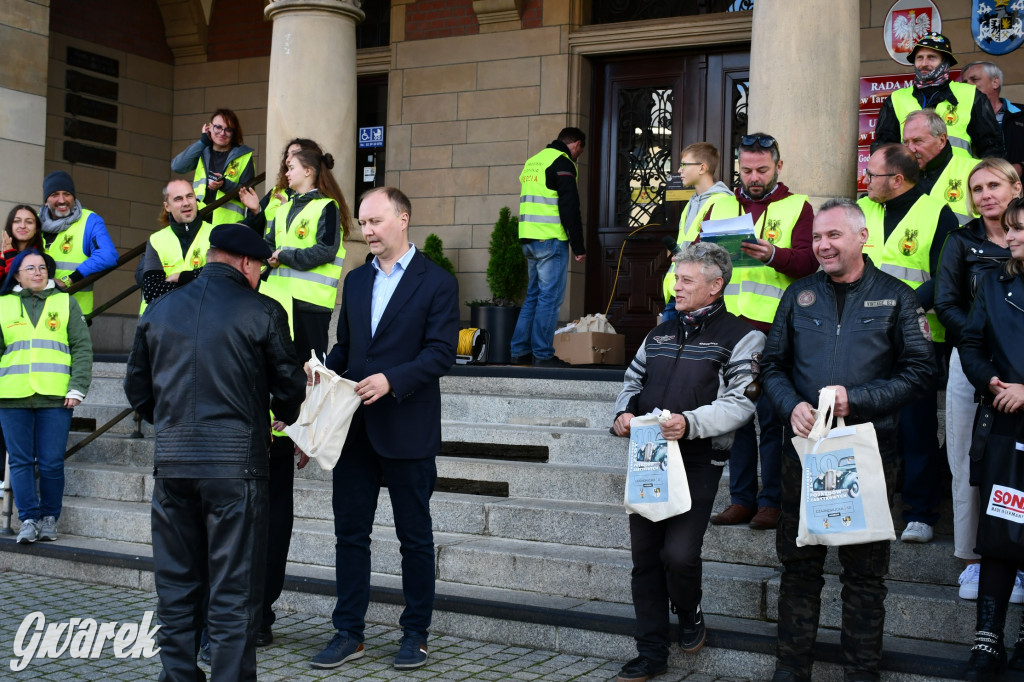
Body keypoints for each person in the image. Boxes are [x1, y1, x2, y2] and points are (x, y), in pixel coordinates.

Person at [761, 198, 936, 681]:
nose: (822, 245)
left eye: (833, 235)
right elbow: (772, 366)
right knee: (798, 569)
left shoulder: (898, 297)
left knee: (864, 577)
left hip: (869, 454)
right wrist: (789, 404)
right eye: (817, 237)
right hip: (805, 454)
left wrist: (854, 400)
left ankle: (861, 673)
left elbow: (922, 372)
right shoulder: (797, 296)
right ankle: (791, 670)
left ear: (862, 238)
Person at [124, 223, 306, 681]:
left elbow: (138, 391)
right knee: (234, 591)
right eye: (260, 269)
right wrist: (276, 414)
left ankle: (180, 675)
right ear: (246, 262)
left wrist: (173, 425)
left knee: (176, 587)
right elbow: (289, 389)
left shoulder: (159, 310)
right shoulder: (262, 310)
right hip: (236, 469)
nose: (260, 276)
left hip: (173, 464)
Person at [310, 187, 459, 671]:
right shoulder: (354, 281)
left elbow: (441, 353)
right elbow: (347, 349)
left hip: (407, 429)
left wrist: (393, 380)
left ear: (403, 219)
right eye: (363, 223)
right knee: (350, 536)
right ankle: (347, 632)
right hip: (354, 431)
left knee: (414, 538)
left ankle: (415, 634)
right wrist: (324, 373)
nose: (367, 232)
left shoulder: (437, 282)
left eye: (375, 222)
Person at [610, 242, 764, 682]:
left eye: (686, 280)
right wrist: (622, 414)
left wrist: (689, 423)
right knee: (645, 557)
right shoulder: (657, 333)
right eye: (676, 278)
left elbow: (740, 404)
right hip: (648, 458)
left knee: (678, 554)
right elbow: (631, 381)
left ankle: (689, 610)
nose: (676, 286)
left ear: (715, 286)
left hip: (697, 460)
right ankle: (651, 651)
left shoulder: (743, 336)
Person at [702, 133, 817, 531]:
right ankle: (742, 499)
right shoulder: (719, 204)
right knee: (734, 418)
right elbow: (700, 258)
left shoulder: (797, 206)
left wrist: (773, 254)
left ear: (778, 167)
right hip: (725, 326)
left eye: (762, 170)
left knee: (771, 418)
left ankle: (772, 501)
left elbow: (808, 263)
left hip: (774, 329)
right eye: (747, 170)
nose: (753, 177)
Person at [857, 143, 959, 545]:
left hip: (918, 337)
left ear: (897, 179)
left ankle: (919, 512)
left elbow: (945, 277)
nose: (865, 181)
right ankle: (868, 503)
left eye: (873, 175)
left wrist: (899, 307)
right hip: (864, 337)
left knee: (917, 427)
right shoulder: (861, 210)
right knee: (867, 424)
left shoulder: (938, 213)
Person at [935, 159, 1024, 601]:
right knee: (968, 461)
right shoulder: (960, 240)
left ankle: (1016, 556)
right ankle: (972, 558)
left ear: (1015, 187)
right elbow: (945, 302)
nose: (985, 195)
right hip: (972, 362)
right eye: (976, 189)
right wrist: (983, 342)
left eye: (994, 185)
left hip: (1020, 369)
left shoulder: (1021, 238)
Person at [958, 195, 1024, 679]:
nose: (1011, 235)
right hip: (1003, 426)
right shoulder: (994, 283)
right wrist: (990, 381)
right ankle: (987, 642)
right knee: (1000, 532)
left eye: (1021, 229)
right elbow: (973, 342)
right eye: (1010, 228)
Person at [1, 249, 92, 544]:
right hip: (11, 396)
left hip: (56, 397)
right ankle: (28, 519)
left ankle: (49, 517)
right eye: (31, 268)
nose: (38, 272)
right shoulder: (3, 305)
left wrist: (77, 387)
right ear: (17, 274)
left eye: (43, 267)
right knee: (20, 461)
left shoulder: (66, 302)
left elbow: (81, 348)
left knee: (52, 462)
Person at [262, 145, 352, 360]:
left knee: (311, 374)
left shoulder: (328, 206)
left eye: (291, 167)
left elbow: (326, 250)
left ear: (308, 171)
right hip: (277, 299)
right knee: (279, 370)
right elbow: (267, 244)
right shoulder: (282, 209)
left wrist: (282, 256)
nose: (287, 173)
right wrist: (268, 255)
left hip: (311, 305)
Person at [509, 126, 587, 368]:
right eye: (580, 151)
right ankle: (542, 354)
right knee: (549, 299)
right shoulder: (562, 162)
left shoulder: (533, 161)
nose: (578, 156)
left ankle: (519, 351)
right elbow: (569, 208)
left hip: (529, 239)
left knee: (533, 296)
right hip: (549, 239)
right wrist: (579, 245)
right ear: (575, 144)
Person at [874, 32, 1002, 160]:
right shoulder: (896, 99)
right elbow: (884, 149)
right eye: (919, 57)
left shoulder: (971, 95)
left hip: (957, 177)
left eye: (931, 57)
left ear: (945, 61)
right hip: (912, 177)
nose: (924, 63)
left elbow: (991, 146)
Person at [659, 143, 733, 323]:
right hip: (678, 288)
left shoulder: (723, 202)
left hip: (698, 292)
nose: (679, 170)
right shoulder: (691, 203)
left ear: (702, 167)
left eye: (684, 164)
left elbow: (719, 252)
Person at [38, 170, 118, 316]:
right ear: (46, 200)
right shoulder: (33, 222)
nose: (62, 200)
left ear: (74, 197)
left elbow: (108, 255)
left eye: (67, 194)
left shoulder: (89, 220)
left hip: (73, 313)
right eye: (55, 194)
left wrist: (69, 280)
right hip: (35, 310)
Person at [138, 179, 213, 313]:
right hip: (162, 322)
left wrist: (180, 278)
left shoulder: (216, 234)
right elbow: (152, 291)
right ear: (167, 207)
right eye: (178, 199)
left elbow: (220, 278)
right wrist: (199, 281)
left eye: (190, 196)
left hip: (202, 320)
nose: (186, 203)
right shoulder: (156, 240)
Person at [171, 108, 255, 226]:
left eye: (228, 129)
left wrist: (224, 185)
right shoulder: (202, 151)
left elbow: (249, 194)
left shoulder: (244, 156)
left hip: (229, 223)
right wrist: (203, 142)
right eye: (218, 127)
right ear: (209, 127)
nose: (222, 133)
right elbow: (177, 166)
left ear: (234, 133)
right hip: (199, 218)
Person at [903, 108, 980, 225]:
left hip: (967, 243)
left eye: (917, 141)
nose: (910, 149)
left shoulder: (976, 171)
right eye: (906, 142)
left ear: (942, 140)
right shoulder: (900, 177)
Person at [961, 61, 1024, 175]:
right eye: (964, 82)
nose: (967, 85)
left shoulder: (1021, 113)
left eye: (974, 80)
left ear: (995, 82)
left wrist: (1021, 167)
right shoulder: (960, 118)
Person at [1, 205, 46, 278]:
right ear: (10, 226)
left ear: (36, 229)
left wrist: (10, 256)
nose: (22, 226)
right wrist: (2, 261)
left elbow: (22, 286)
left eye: (29, 222)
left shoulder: (44, 259)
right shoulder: (1, 256)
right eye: (17, 221)